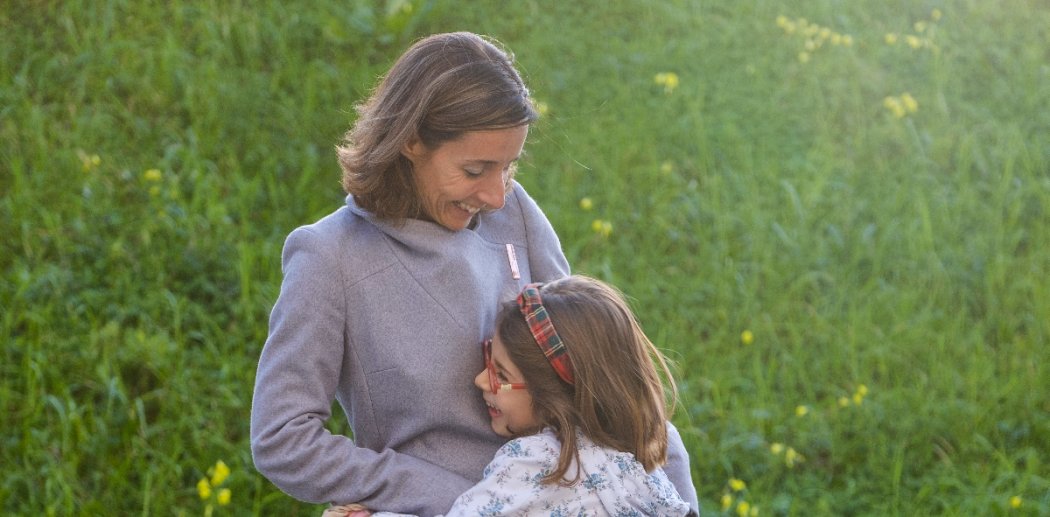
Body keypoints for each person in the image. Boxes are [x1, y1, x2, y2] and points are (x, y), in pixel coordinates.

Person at [250, 32, 700, 516]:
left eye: (508, 168)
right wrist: (451, 498)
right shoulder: (329, 257)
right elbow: (283, 438)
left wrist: (674, 500)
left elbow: (604, 377)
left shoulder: (516, 216)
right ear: (410, 140)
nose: (496, 196)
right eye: (474, 170)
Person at [325, 276, 696, 517]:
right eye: (489, 358)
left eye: (501, 374)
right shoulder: (638, 469)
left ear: (554, 394)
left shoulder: (536, 462)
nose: (481, 380)